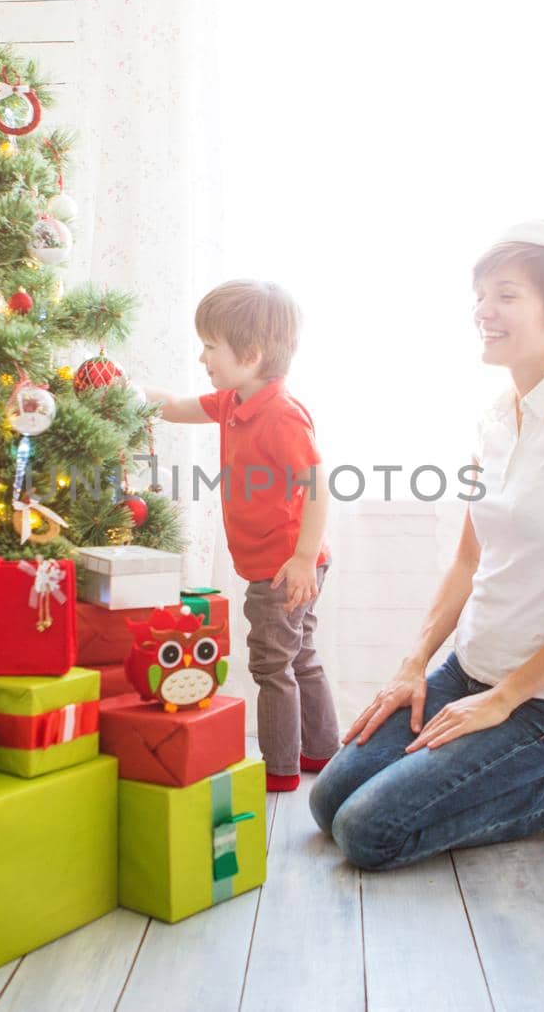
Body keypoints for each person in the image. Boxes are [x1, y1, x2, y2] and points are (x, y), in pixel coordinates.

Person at [308, 219, 544, 869]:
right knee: (329, 801)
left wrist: (505, 697)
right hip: (468, 671)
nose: (483, 312)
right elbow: (469, 557)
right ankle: (512, 759)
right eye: (481, 295)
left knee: (367, 833)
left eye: (507, 295)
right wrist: (413, 665)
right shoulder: (494, 417)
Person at [147, 280, 339, 793]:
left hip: (284, 565)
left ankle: (279, 770)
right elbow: (177, 407)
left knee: (272, 664)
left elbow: (318, 486)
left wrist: (301, 560)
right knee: (299, 655)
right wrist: (129, 394)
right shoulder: (235, 400)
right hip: (279, 561)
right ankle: (321, 752)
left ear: (251, 355)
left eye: (211, 346)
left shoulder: (280, 414)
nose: (203, 355)